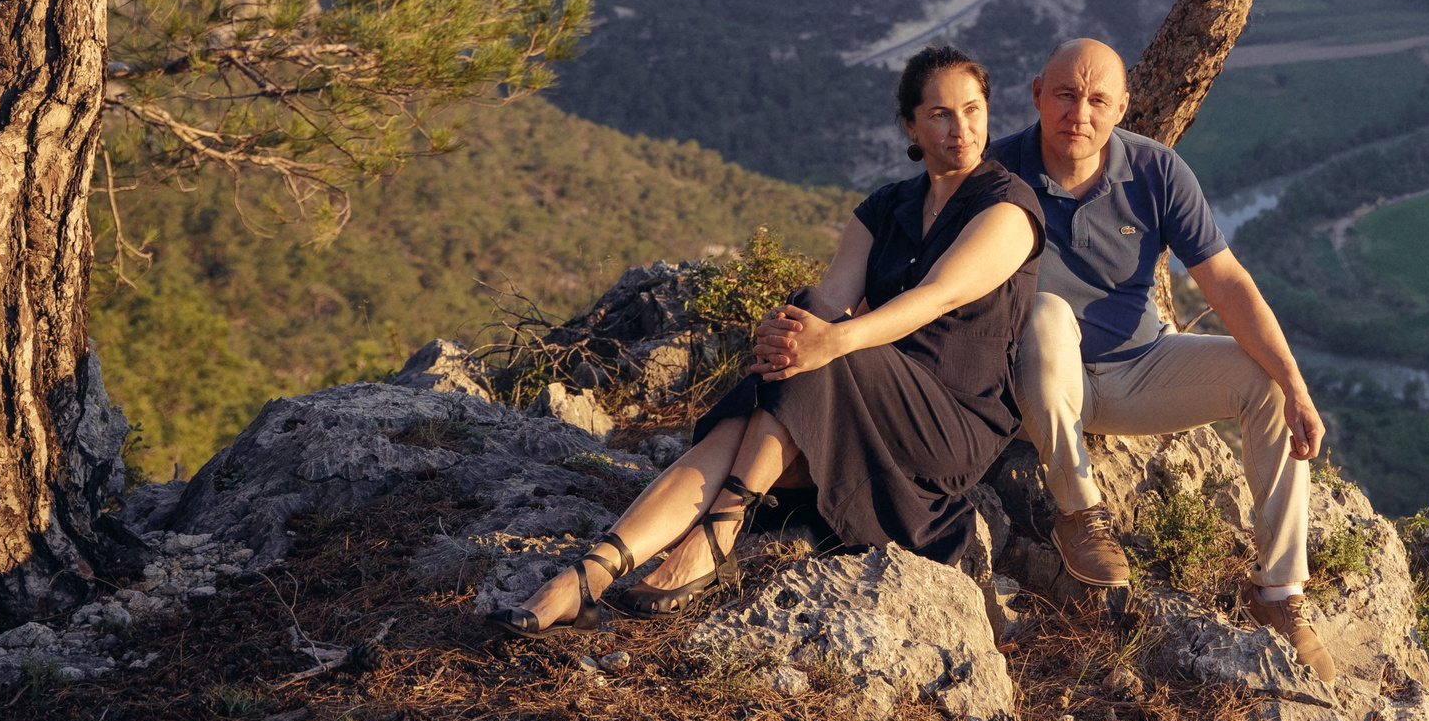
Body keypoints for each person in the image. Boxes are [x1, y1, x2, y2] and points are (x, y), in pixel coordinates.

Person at [500, 44, 1041, 634]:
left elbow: (936, 296)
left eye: (972, 109)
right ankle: (590, 574)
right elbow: (828, 300)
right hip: (861, 401)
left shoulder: (1008, 207)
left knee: (822, 344)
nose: (961, 128)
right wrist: (794, 332)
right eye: (940, 114)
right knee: (803, 331)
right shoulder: (888, 208)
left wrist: (828, 341)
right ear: (912, 126)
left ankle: (719, 530)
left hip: (949, 424)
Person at [990, 38, 1336, 681]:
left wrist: (1296, 384)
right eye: (1065, 95)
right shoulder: (997, 171)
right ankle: (1079, 512)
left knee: (1265, 381)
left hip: (1137, 369)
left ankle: (1280, 594)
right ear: (1037, 93)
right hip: (1036, 380)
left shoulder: (1157, 170)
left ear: (1121, 108)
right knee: (1044, 312)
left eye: (1097, 100)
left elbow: (1226, 281)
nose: (1079, 114)